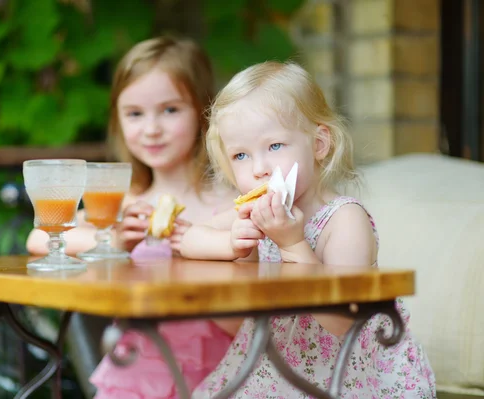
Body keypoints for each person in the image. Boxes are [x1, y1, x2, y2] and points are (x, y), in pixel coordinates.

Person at [180, 61, 436, 398]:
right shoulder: (253, 211)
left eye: (274, 146)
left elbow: (344, 319)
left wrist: (292, 244)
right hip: (275, 366)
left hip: (347, 372)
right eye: (241, 155)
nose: (259, 169)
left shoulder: (344, 220)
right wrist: (230, 243)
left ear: (318, 144)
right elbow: (188, 239)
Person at [27, 36, 240, 398]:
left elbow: (248, 318)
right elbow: (39, 239)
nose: (151, 128)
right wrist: (112, 240)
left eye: (170, 110)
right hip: (136, 374)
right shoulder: (122, 203)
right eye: (135, 114)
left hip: (220, 372)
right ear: (118, 119)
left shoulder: (230, 204)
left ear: (205, 112)